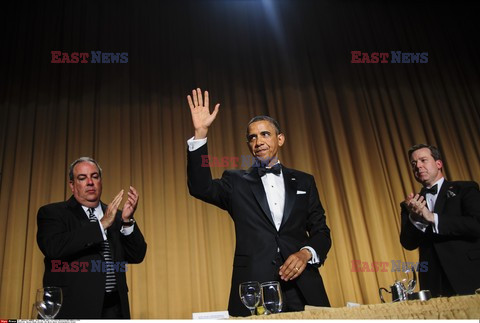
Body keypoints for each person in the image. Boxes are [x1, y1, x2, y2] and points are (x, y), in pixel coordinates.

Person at [186, 88, 331, 316]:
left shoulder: (305, 181)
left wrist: (306, 253)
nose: (258, 141)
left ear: (280, 139)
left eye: (265, 134)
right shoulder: (236, 181)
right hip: (254, 290)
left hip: (303, 286)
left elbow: (321, 230)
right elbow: (200, 187)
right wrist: (200, 134)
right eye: (252, 137)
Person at [36, 157, 147, 318]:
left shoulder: (115, 216)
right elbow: (54, 248)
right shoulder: (53, 213)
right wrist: (100, 225)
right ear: (72, 186)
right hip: (73, 307)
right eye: (82, 178)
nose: (90, 182)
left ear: (100, 182)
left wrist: (127, 221)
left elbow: (137, 255)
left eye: (95, 176)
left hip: (114, 308)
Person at [400, 144, 480, 297]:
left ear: (438, 164)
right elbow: (408, 243)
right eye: (414, 164)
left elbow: (476, 225)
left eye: (423, 160)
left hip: (470, 274)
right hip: (434, 283)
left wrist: (432, 218)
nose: (418, 166)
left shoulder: (465, 189)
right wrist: (416, 220)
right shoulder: (410, 205)